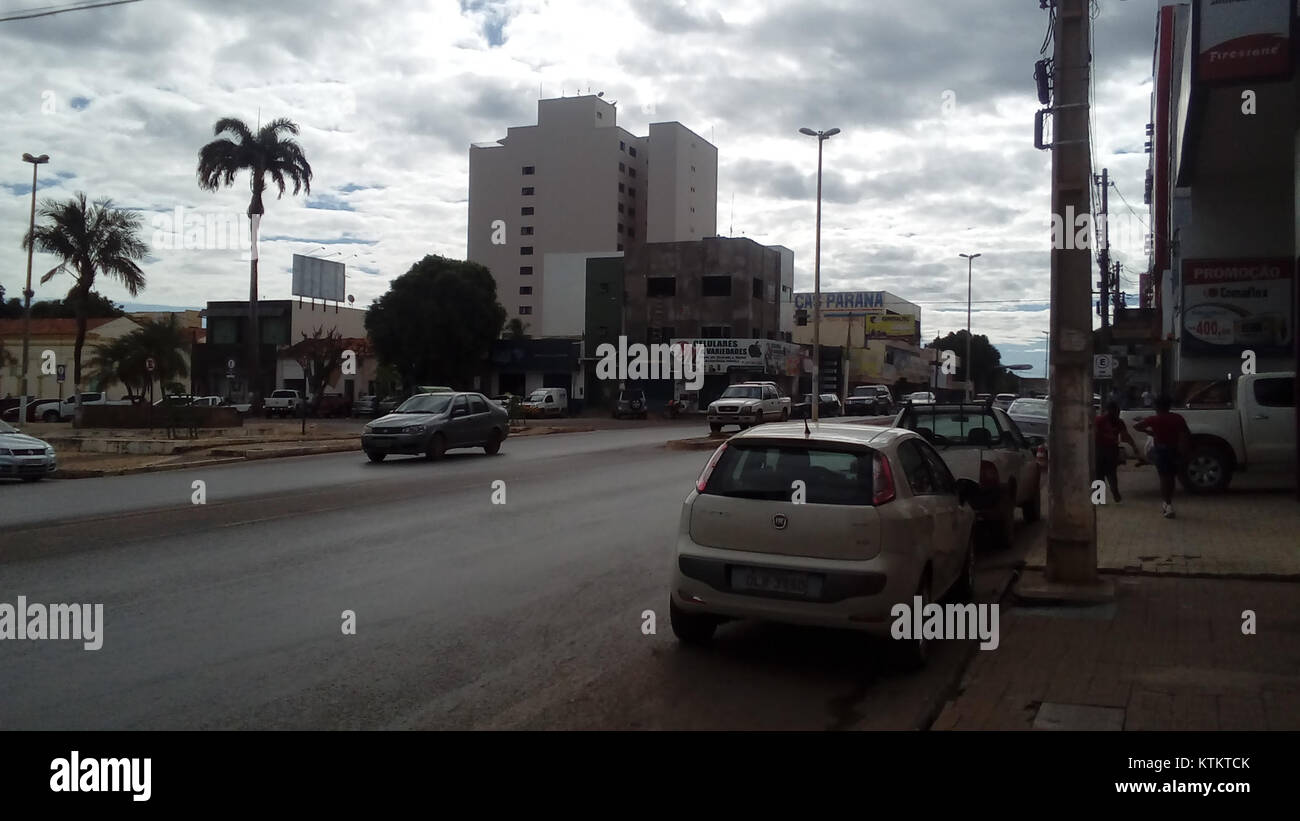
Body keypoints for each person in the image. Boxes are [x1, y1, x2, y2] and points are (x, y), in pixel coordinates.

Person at [1133, 394, 1191, 519]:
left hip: (1161, 451)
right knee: (1171, 478)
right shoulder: (1178, 418)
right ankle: (1168, 503)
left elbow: (1136, 426)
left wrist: (1149, 431)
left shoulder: (1153, 419)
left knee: (1164, 478)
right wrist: (1183, 452)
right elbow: (1185, 435)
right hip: (1175, 450)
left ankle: (1167, 504)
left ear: (1157, 406)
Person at [1095, 401, 1137, 503]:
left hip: (1099, 450)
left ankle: (1099, 497)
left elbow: (1093, 434)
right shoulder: (1119, 422)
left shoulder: (1099, 420)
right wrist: (1134, 446)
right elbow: (1125, 436)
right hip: (1111, 450)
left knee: (1099, 474)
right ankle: (1114, 492)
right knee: (1111, 473)